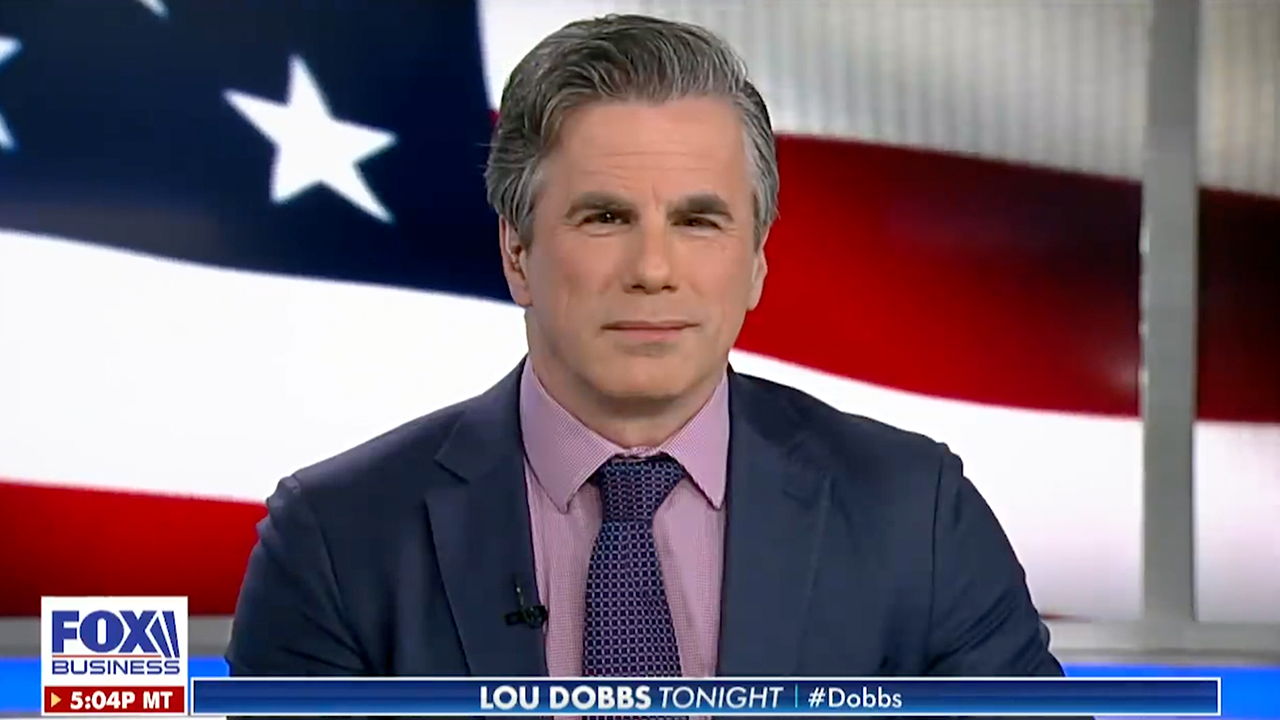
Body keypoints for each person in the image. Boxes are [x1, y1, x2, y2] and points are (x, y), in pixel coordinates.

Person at [227, 13, 1065, 680]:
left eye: (699, 221)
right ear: (517, 252)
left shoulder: (916, 515)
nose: (654, 270)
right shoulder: (337, 539)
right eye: (605, 217)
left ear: (756, 262)